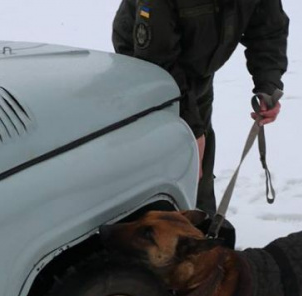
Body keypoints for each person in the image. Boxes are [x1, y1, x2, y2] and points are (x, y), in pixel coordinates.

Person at [112, 0, 289, 214]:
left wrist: (268, 85)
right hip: (144, 69)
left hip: (198, 67)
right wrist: (192, 129)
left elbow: (268, 31)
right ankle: (149, 231)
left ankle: (201, 227)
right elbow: (158, 59)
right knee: (165, 162)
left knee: (199, 164)